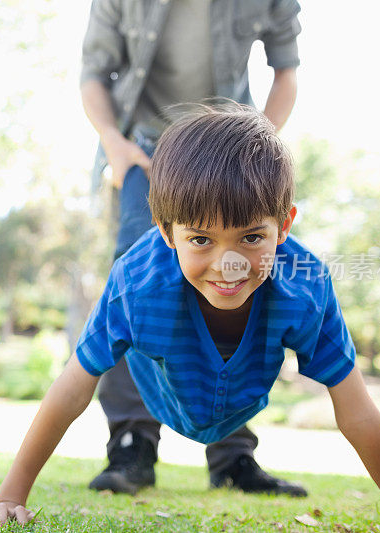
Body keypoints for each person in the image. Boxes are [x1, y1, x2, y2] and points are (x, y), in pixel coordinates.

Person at [0, 106, 380, 532]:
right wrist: (12, 493)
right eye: (200, 240)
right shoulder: (137, 283)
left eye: (253, 236)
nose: (227, 263)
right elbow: (74, 386)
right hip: (161, 390)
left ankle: (234, 462)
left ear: (285, 225)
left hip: (242, 394)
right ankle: (135, 449)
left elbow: (356, 411)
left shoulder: (305, 285)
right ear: (167, 232)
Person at [80, 0, 303, 495]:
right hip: (143, 150)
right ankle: (132, 443)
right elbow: (93, 74)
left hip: (230, 154)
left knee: (239, 280)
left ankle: (233, 455)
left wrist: (256, 144)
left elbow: (287, 71)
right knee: (134, 286)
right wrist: (116, 146)